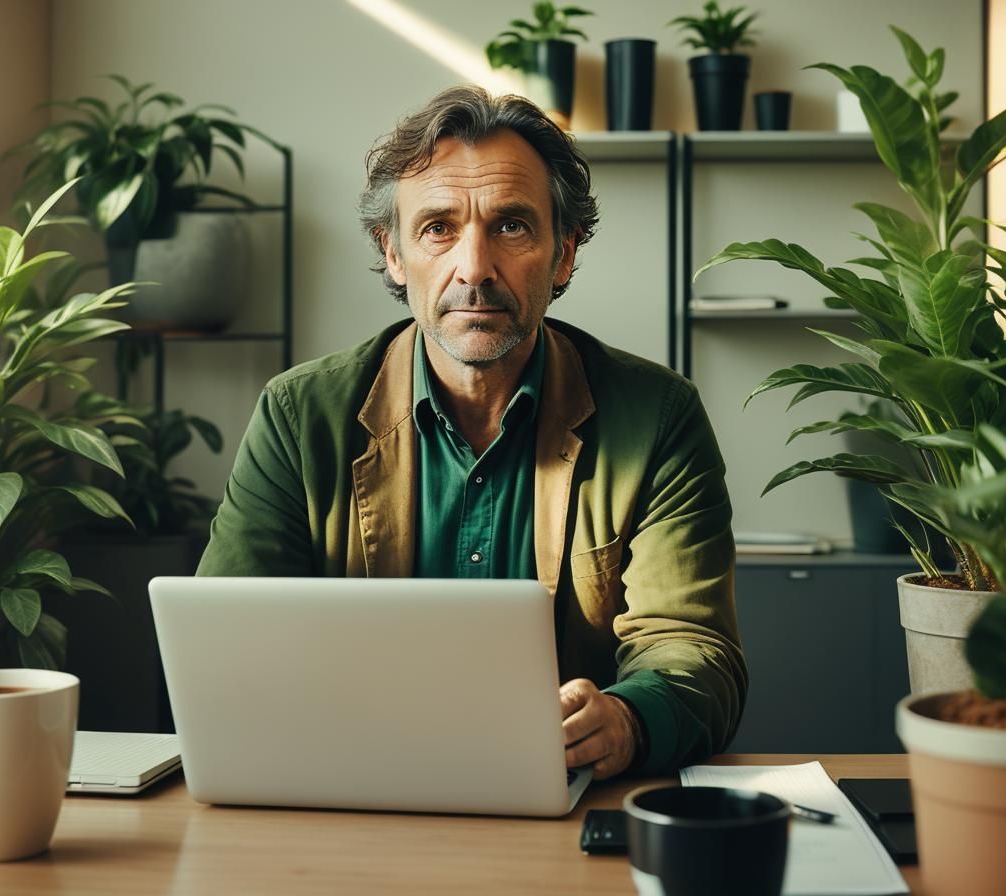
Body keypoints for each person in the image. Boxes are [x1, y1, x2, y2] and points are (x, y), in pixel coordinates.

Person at [197, 85, 747, 778]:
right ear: (394, 254)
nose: (475, 268)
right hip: (350, 789)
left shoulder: (658, 417)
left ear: (565, 253)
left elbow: (694, 649)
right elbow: (231, 642)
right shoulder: (297, 416)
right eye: (438, 228)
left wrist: (627, 720)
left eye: (512, 226)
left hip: (565, 804)